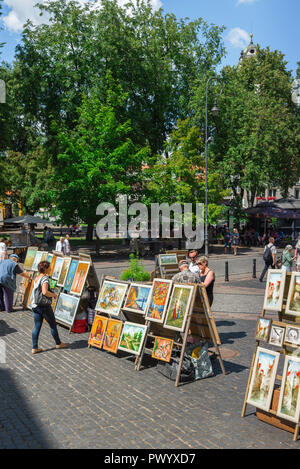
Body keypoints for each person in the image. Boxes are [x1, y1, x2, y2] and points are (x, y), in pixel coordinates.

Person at [31, 260, 68, 354]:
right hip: (44, 306)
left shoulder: (37, 277)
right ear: (46, 269)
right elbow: (44, 292)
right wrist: (53, 295)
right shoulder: (45, 279)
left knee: (37, 326)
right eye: (49, 267)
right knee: (52, 325)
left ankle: (34, 347)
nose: (50, 269)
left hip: (35, 305)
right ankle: (58, 343)